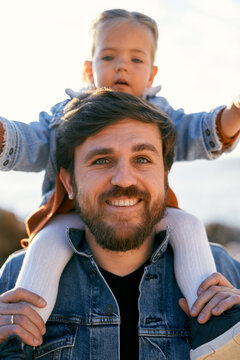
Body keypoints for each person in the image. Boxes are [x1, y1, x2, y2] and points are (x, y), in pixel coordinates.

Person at [0, 6, 239, 352]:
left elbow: (199, 133)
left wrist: (236, 110)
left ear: (153, 72)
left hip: (157, 221)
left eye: (136, 59)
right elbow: (30, 142)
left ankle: (213, 320)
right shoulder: (64, 116)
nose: (122, 66)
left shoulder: (162, 116)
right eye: (109, 55)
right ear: (88, 68)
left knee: (187, 226)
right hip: (67, 213)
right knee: (46, 246)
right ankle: (18, 339)